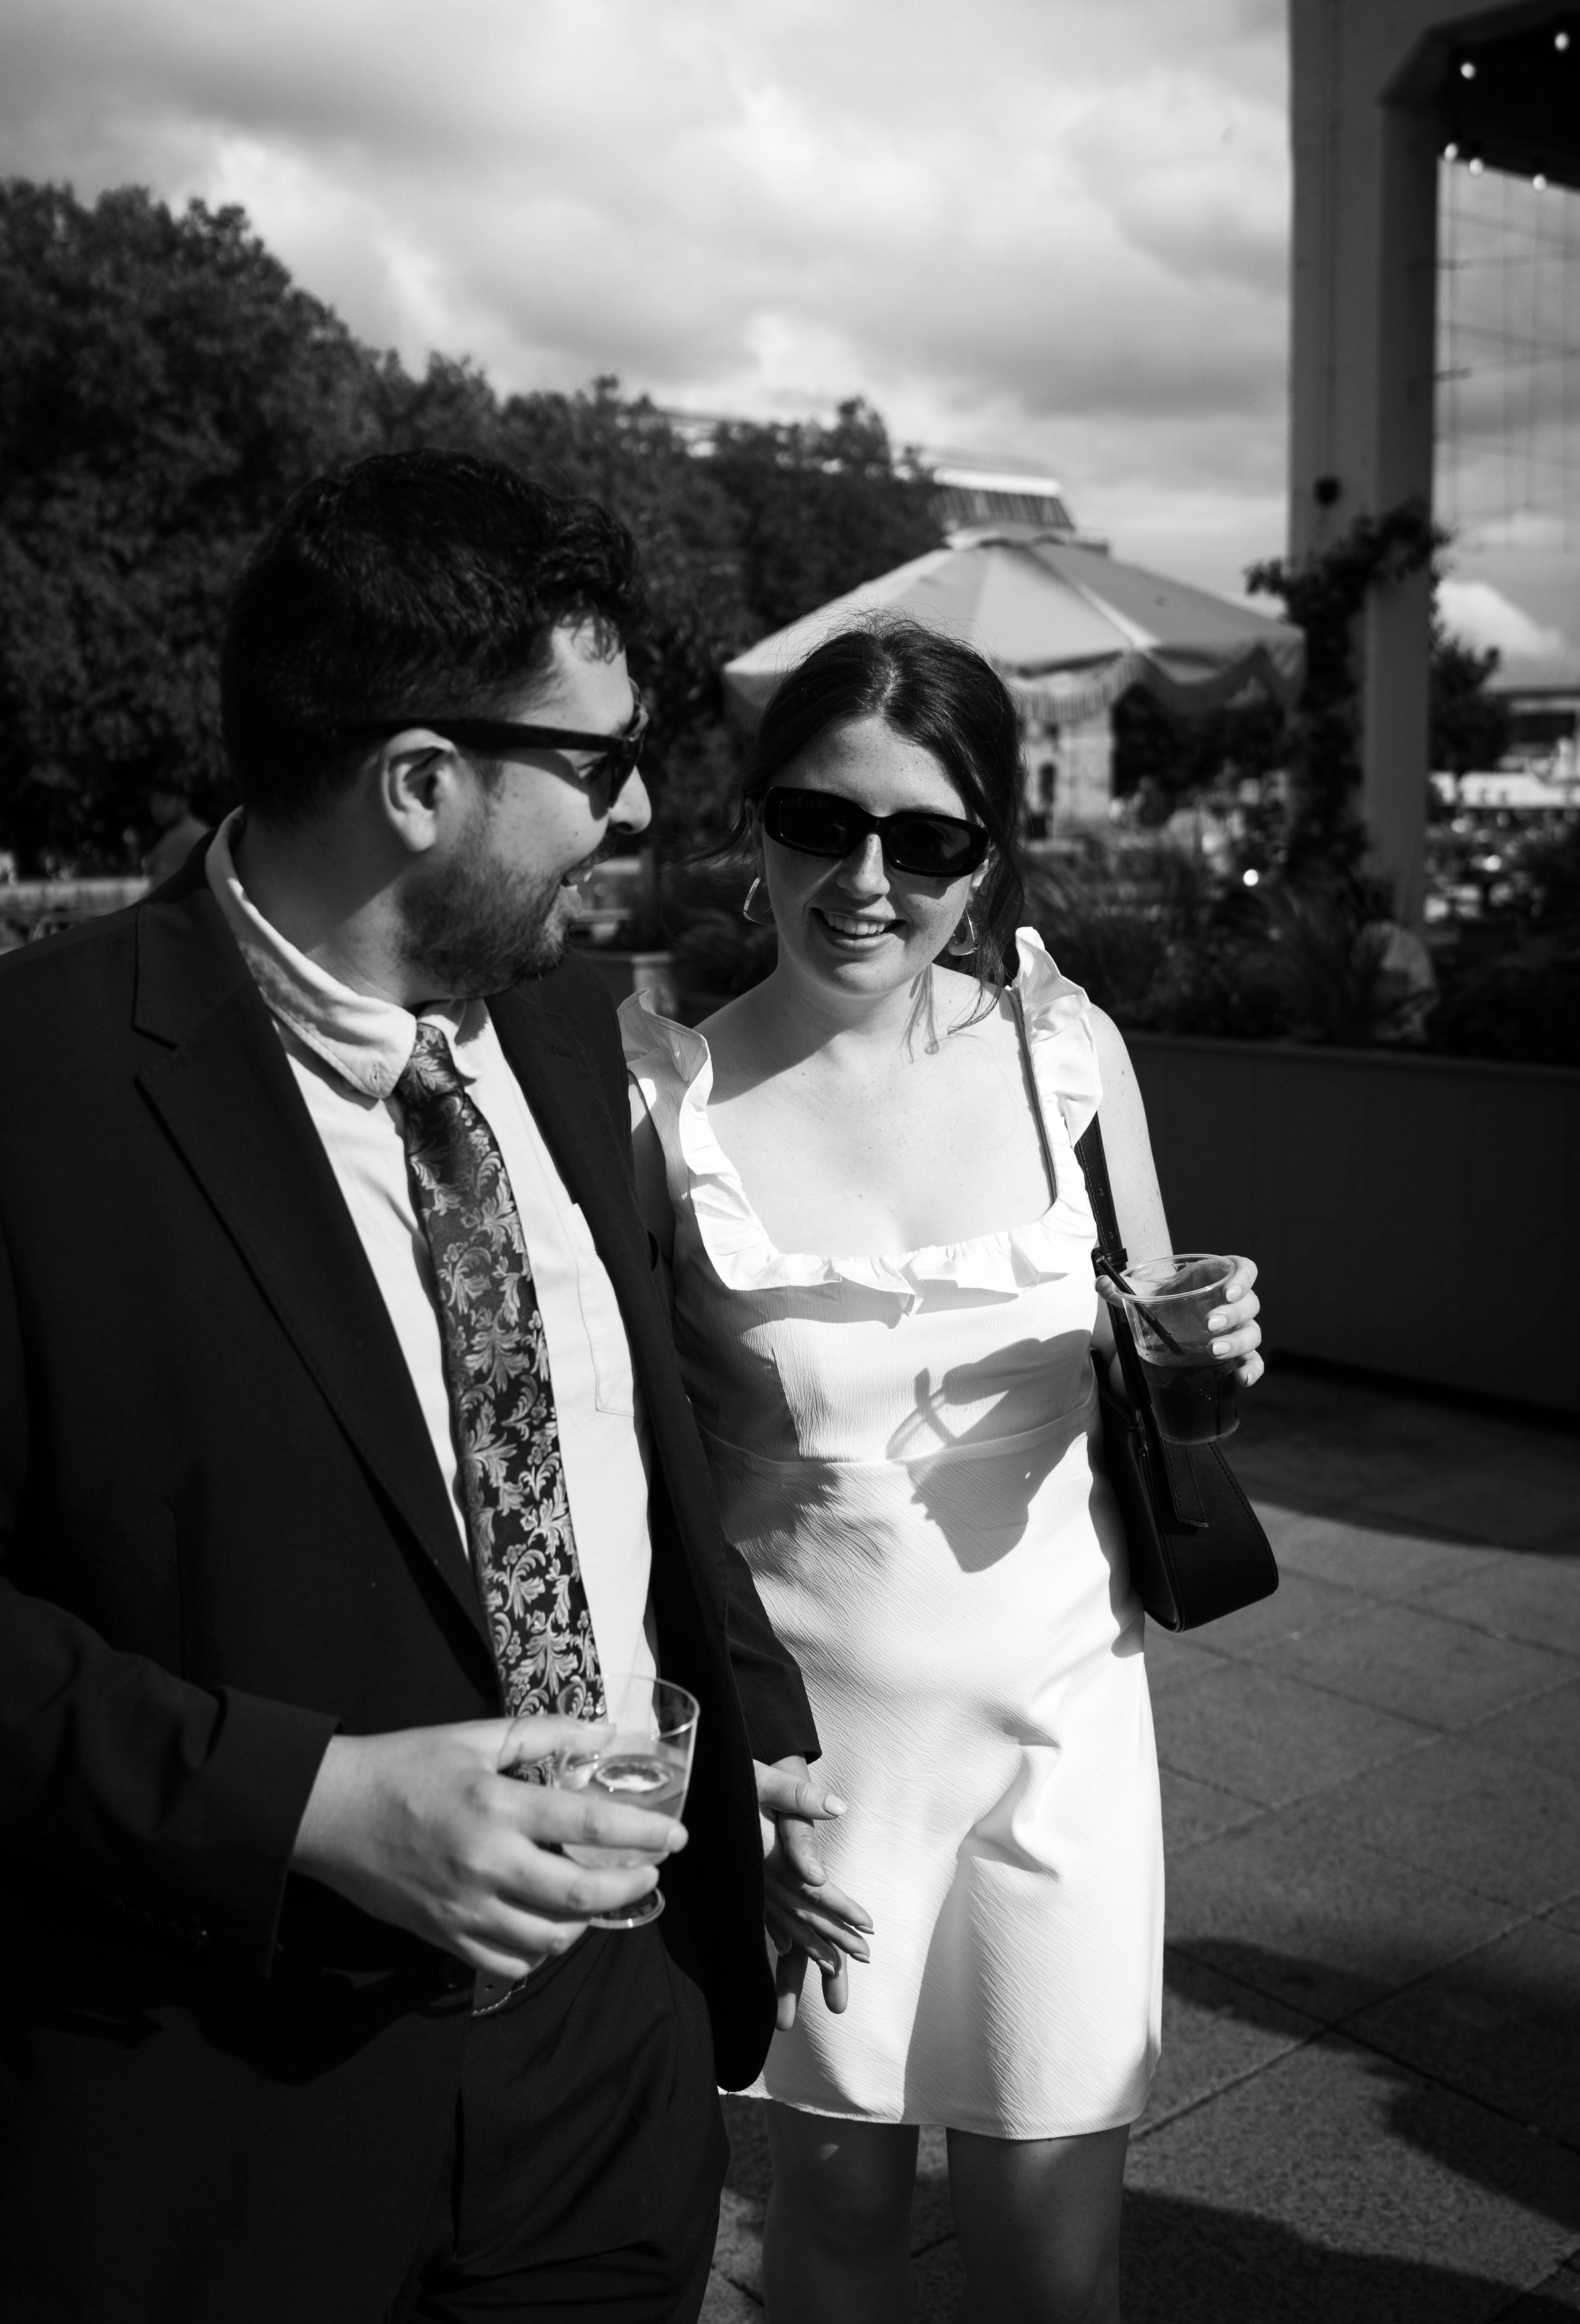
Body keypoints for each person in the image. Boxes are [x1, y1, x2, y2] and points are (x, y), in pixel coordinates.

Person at [0, 450, 850, 2324]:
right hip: (225, 2119)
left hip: (607, 2070)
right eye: (594, 764)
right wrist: (307, 1800)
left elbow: (629, 1453)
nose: (640, 806)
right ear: (422, 783)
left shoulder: (577, 1040)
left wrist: (753, 1737)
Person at [622, 621, 1265, 2324]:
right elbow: (639, 1479)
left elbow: (1161, 1384)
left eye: (924, 840)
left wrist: (1206, 1366)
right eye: (819, 823)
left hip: (1061, 1727)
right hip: (813, 1776)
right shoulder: (662, 1100)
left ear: (984, 862)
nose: (863, 879)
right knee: (824, 2238)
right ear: (750, 824)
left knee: (1058, 2262)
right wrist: (709, 1787)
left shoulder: (1068, 1055)